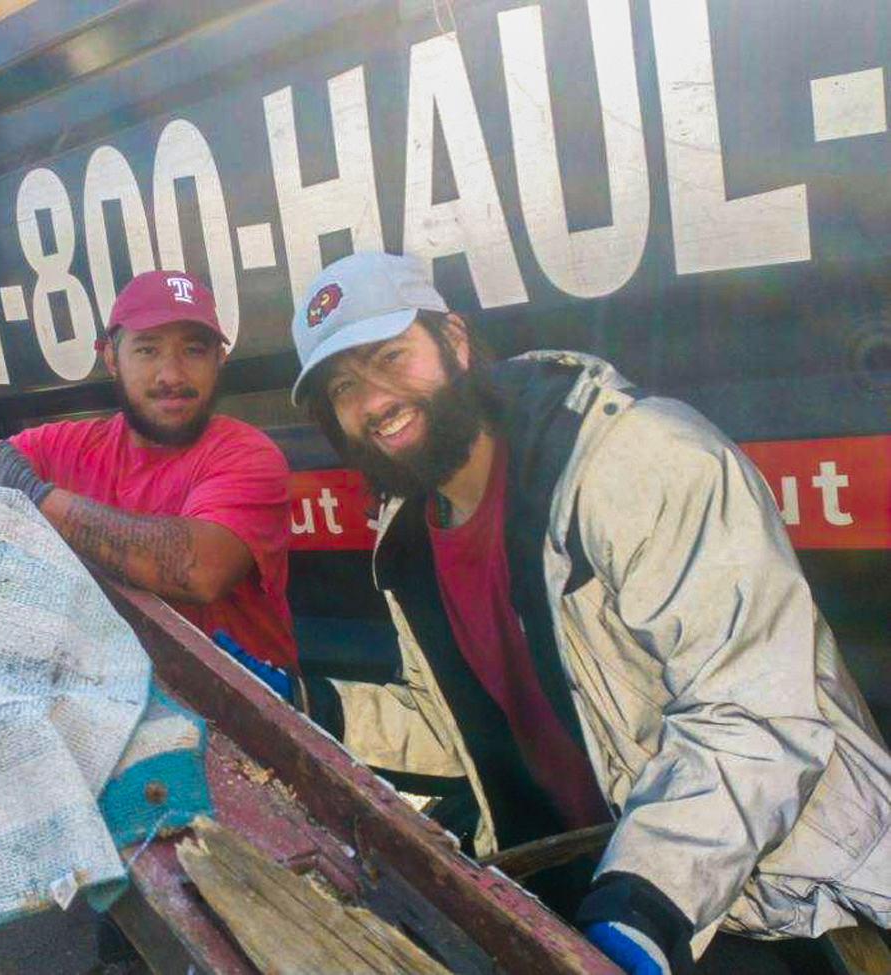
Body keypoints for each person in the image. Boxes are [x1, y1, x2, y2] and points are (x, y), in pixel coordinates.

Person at [289, 251, 891, 974]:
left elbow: (754, 711)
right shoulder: (411, 534)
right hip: (592, 883)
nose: (374, 401)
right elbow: (461, 730)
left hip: (774, 893)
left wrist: (643, 905)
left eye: (391, 356)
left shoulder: (638, 457)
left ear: (453, 339)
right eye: (344, 386)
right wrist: (310, 705)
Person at [0, 269, 298, 678]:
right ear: (111, 358)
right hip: (108, 685)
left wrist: (35, 496)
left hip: (248, 701)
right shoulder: (69, 444)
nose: (171, 375)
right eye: (147, 350)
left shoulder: (247, 454)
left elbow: (198, 570)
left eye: (193, 350)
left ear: (218, 359)